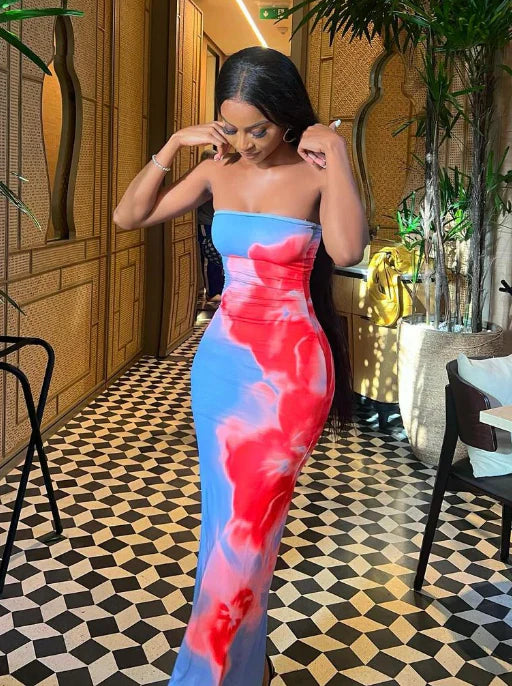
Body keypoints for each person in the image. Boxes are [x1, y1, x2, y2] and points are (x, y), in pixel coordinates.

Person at [113, 46, 369, 686]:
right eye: (232, 127)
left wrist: (339, 155)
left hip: (289, 379)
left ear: (287, 117)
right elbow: (128, 216)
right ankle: (241, 670)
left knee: (246, 541)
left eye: (260, 128)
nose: (246, 143)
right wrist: (174, 145)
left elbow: (347, 250)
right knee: (225, 534)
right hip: (221, 370)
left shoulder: (316, 174)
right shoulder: (214, 170)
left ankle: (204, 675)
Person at [196, 149, 224, 307]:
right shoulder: (201, 179)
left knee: (217, 258)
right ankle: (212, 293)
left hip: (216, 222)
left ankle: (217, 290)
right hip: (206, 222)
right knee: (210, 256)